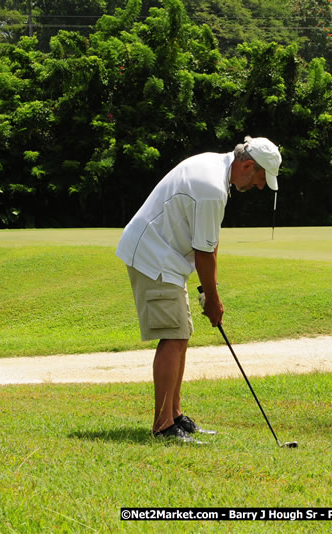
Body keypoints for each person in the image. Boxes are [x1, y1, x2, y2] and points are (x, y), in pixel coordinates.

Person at [116, 136, 282, 444]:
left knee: (181, 333)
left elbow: (210, 241)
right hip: (153, 256)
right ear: (247, 165)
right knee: (175, 334)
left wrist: (210, 292)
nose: (260, 187)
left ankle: (175, 417)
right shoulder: (212, 189)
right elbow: (203, 253)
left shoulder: (216, 169)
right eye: (260, 178)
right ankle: (163, 427)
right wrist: (214, 301)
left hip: (166, 257)